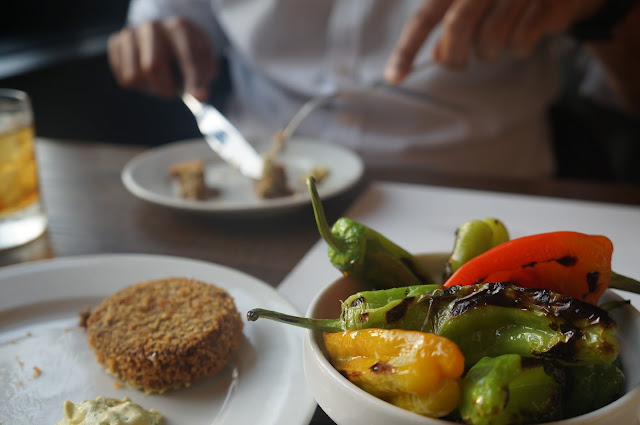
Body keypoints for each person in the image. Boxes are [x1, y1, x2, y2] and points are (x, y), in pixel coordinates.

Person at [107, 0, 640, 179]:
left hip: (479, 189)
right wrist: (152, 39)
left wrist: (606, 8)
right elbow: (168, 24)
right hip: (251, 185)